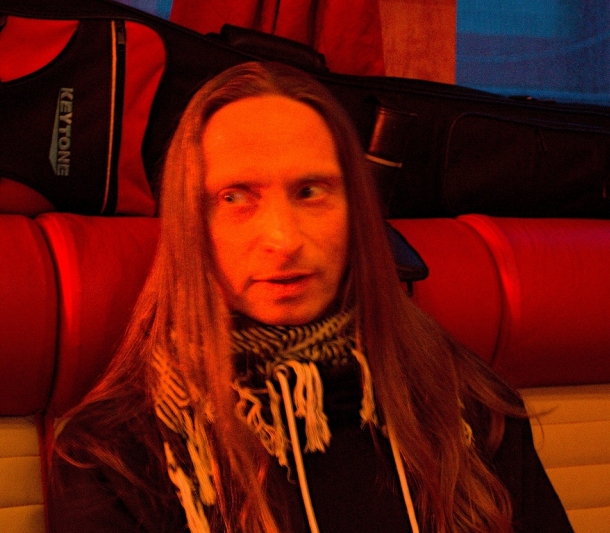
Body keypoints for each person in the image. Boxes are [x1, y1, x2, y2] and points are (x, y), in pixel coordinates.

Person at [49, 61, 573, 533]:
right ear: (191, 227)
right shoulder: (113, 457)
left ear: (356, 213)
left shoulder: (469, 403)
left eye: (310, 192)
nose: (284, 239)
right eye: (235, 198)